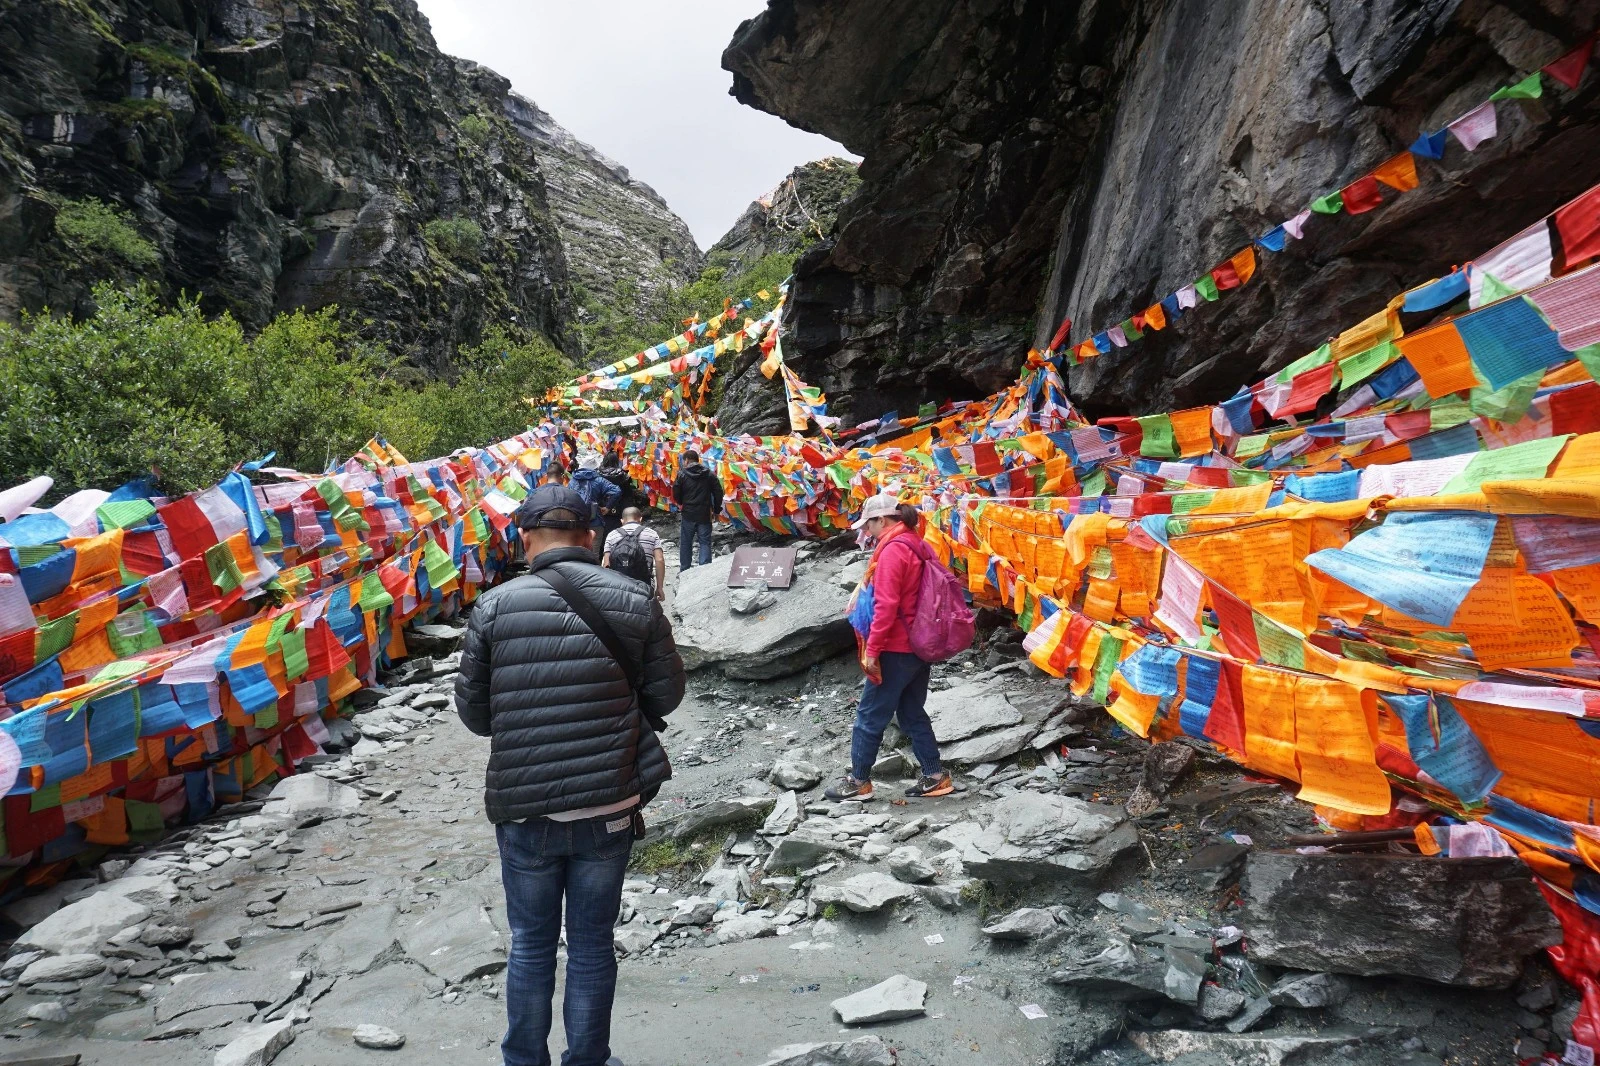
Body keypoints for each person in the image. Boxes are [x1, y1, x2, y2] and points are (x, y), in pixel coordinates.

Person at [456, 484, 685, 1066]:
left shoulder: (493, 607)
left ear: (525, 540)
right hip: (608, 806)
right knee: (590, 946)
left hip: (525, 808)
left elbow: (475, 716)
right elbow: (668, 693)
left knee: (530, 947)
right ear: (590, 538)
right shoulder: (635, 600)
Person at [825, 493, 953, 802]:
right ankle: (935, 776)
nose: (866, 533)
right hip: (920, 642)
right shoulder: (917, 542)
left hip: (896, 646)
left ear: (883, 520)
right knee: (910, 710)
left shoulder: (893, 550)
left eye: (868, 525)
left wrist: (873, 650)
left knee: (870, 715)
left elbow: (885, 606)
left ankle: (858, 781)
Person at [671, 450, 722, 571]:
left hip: (688, 513)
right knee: (704, 542)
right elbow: (718, 492)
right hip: (704, 514)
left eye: (683, 461)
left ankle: (685, 570)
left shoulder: (681, 474)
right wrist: (716, 510)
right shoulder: (709, 474)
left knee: (686, 543)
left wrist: (680, 502)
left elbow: (676, 491)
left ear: (687, 460)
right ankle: (703, 572)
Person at [603, 506, 665, 602]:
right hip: (645, 585)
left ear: (622, 520)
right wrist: (660, 588)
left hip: (619, 586)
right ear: (640, 519)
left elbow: (606, 564)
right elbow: (659, 560)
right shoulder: (652, 534)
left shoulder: (612, 535)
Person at [570, 451, 621, 536]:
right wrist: (608, 507)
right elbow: (616, 491)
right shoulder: (599, 480)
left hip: (577, 522)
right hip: (595, 521)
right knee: (595, 548)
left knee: (579, 548)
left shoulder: (573, 481)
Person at [598, 453, 638, 537]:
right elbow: (628, 495)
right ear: (616, 461)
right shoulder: (622, 475)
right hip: (619, 510)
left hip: (602, 509)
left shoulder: (597, 474)